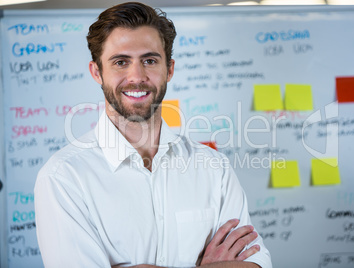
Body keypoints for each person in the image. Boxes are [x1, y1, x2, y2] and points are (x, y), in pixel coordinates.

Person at [34, 2, 272, 268]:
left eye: (149, 60)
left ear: (169, 69)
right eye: (121, 62)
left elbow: (254, 264)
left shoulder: (213, 168)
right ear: (97, 72)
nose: (137, 76)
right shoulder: (64, 178)